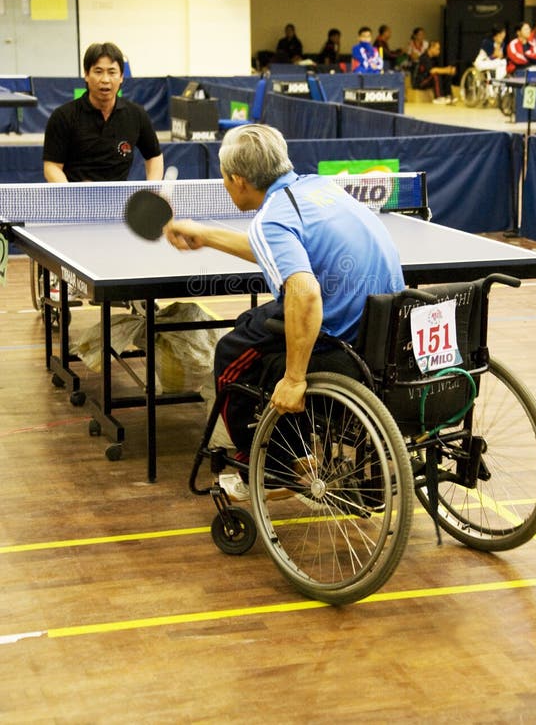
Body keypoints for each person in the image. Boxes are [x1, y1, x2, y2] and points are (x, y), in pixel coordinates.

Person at [164, 124, 404, 488]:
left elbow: (305, 293)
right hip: (385, 328)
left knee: (232, 354)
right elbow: (282, 248)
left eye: (225, 179)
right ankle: (295, 449)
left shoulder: (271, 217)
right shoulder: (320, 187)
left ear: (239, 180)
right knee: (252, 321)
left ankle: (265, 473)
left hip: (340, 338)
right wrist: (208, 236)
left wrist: (294, 379)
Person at [43, 42, 164, 182]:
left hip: (119, 201)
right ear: (87, 75)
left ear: (121, 77)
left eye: (112, 72)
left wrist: (152, 190)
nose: (105, 80)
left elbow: (154, 156)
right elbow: (52, 166)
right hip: (75, 200)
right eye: (98, 71)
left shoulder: (136, 115)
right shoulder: (63, 116)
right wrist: (71, 196)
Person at [412, 39, 457, 104]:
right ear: (431, 48)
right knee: (435, 74)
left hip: (428, 79)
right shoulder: (424, 57)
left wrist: (448, 70)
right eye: (437, 49)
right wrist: (446, 70)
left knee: (445, 74)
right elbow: (432, 71)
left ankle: (448, 95)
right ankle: (438, 98)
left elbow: (440, 69)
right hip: (420, 82)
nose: (439, 51)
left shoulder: (435, 58)